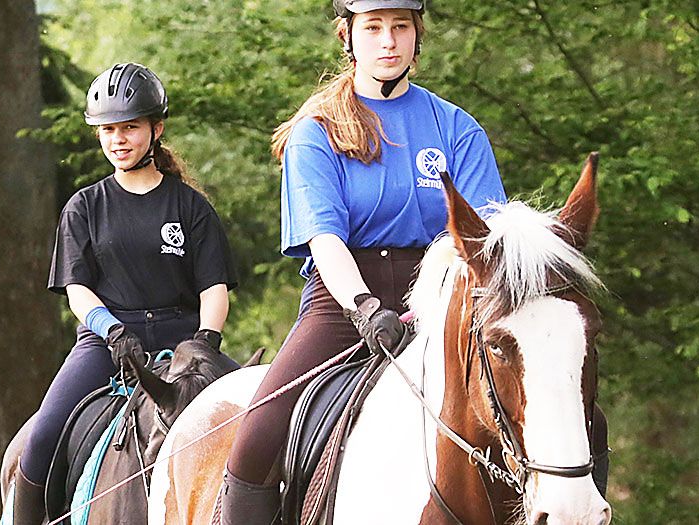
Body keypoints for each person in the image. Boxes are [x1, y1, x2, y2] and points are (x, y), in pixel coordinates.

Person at [214, 1, 512, 521]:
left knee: (581, 418)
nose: (388, 41)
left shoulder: (457, 128)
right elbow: (324, 239)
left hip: (443, 300)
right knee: (257, 436)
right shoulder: (317, 130)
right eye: (373, 28)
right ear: (347, 37)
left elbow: (486, 240)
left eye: (400, 27)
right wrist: (364, 307)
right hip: (343, 301)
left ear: (417, 35)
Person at [6, 63, 239, 524]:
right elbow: (77, 289)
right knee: (42, 436)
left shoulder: (191, 207)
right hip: (106, 342)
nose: (118, 139)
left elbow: (214, 289)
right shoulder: (84, 207)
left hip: (184, 345)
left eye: (129, 127)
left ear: (156, 129)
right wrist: (112, 332)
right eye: (108, 130)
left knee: (261, 415)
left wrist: (205, 342)